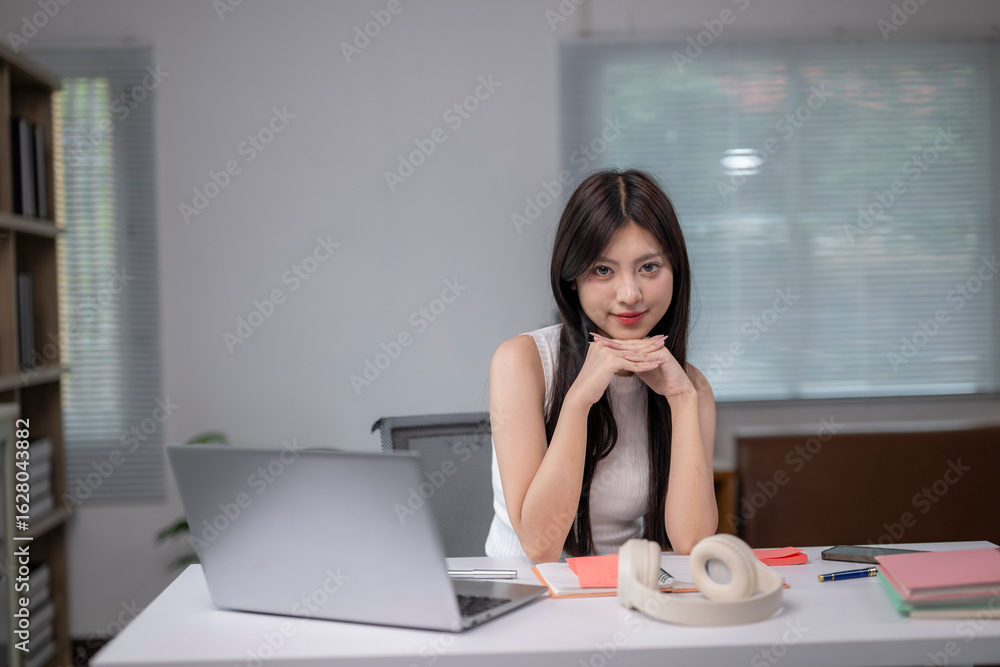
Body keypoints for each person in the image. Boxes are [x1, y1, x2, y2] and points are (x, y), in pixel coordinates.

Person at [485, 168, 717, 563]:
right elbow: (541, 547)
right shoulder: (522, 362)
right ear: (572, 279)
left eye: (649, 267)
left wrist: (681, 399)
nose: (630, 294)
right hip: (525, 596)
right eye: (603, 270)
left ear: (676, 272)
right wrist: (579, 400)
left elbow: (691, 545)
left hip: (623, 593)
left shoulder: (689, 386)